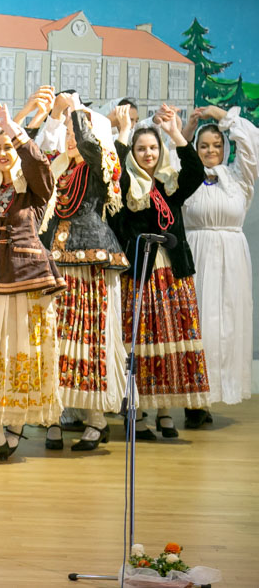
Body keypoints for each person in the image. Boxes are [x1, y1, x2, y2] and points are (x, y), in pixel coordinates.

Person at [0, 105, 64, 464]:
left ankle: (15, 429)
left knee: (19, 354)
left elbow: (40, 169)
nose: (4, 153)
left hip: (23, 279)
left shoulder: (33, 189)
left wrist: (12, 128)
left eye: (9, 147)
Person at [111, 104, 210, 439]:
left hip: (173, 271)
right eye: (141, 149)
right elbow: (114, 168)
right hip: (141, 271)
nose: (148, 154)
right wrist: (124, 133)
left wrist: (175, 133)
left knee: (171, 338)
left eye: (153, 147)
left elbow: (195, 171)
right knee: (140, 341)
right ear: (133, 153)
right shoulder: (126, 184)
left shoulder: (171, 184)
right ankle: (136, 414)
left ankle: (165, 410)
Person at [38, 99, 130, 450]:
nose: (72, 138)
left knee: (91, 336)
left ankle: (96, 419)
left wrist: (76, 109)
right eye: (68, 133)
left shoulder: (99, 163)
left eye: (77, 132)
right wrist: (55, 118)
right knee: (55, 338)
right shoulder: (58, 167)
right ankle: (54, 416)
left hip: (91, 261)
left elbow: (91, 145)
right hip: (57, 260)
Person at [181, 105, 257, 424]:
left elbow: (251, 144)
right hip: (196, 256)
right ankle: (194, 399)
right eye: (203, 145)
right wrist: (187, 129)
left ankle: (216, 391)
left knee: (226, 326)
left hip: (232, 260)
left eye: (216, 145)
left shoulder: (239, 179)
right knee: (199, 326)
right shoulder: (186, 178)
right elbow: (169, 156)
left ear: (225, 147)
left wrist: (222, 115)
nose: (210, 150)